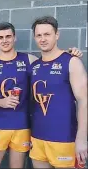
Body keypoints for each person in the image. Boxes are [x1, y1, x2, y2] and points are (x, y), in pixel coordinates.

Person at [0, 22, 83, 168]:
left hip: (24, 127)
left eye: (8, 36)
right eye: (0, 37)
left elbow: (52, 58)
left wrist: (70, 54)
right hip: (0, 126)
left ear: (15, 38)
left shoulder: (30, 61)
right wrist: (0, 103)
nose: (5, 40)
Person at [29, 16, 87, 168]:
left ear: (57, 35)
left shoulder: (71, 62)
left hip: (64, 139)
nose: (43, 39)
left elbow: (84, 101)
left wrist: (82, 139)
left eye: (47, 34)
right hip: (37, 137)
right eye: (38, 35)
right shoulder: (34, 65)